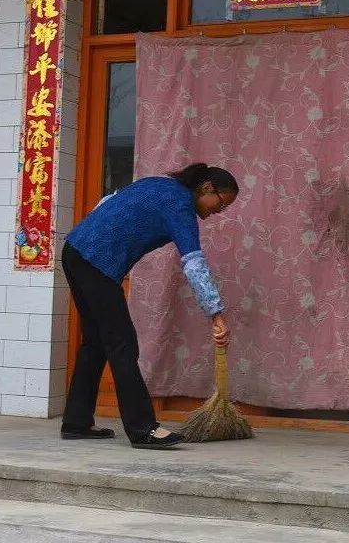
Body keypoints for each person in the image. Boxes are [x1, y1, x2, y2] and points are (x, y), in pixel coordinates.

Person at [59, 163, 238, 449]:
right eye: (221, 203)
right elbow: (194, 263)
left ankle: (77, 422)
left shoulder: (158, 184)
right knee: (123, 344)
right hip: (96, 263)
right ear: (206, 188)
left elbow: (109, 201)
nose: (220, 210)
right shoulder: (180, 206)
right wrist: (215, 314)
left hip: (75, 251)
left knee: (96, 342)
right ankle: (143, 429)